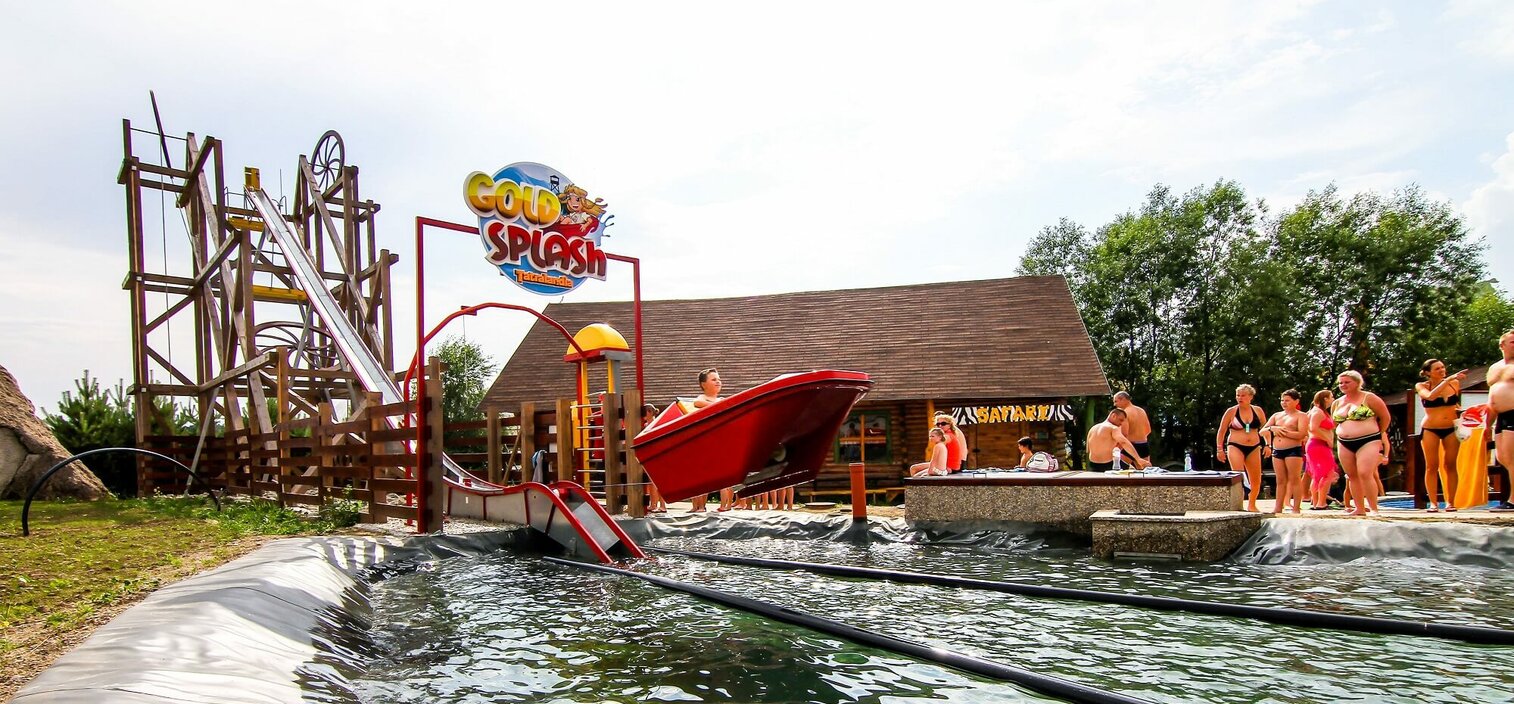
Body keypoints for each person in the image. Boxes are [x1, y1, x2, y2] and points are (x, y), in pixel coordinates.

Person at [1332, 370, 1391, 517]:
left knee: (1365, 473)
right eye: (1340, 383)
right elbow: (1334, 422)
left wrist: (1379, 433)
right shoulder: (1337, 402)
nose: (1343, 385)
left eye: (1347, 382)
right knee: (1352, 475)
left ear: (1357, 382)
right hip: (1344, 442)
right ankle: (1359, 508)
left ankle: (1374, 508)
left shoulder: (1369, 398)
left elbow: (1385, 417)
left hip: (1368, 439)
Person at [1416, 359, 1467, 512]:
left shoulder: (1454, 384)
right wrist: (1448, 380)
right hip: (1430, 428)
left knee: (1450, 464)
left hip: (1450, 427)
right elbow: (1431, 397)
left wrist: (1465, 412)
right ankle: (1433, 503)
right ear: (1427, 372)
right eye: (1437, 368)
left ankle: (1450, 502)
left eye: (1443, 367)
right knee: (1432, 466)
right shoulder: (1422, 386)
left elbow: (1455, 404)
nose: (1442, 370)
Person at [1216, 384, 1268, 512]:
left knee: (1256, 478)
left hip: (1254, 446)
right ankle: (1239, 504)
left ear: (1251, 397)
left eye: (1243, 395)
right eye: (1238, 395)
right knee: (1239, 476)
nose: (1240, 398)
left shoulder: (1258, 411)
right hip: (1235, 445)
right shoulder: (1231, 411)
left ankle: (1252, 503)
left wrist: (1268, 445)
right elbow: (1221, 431)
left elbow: (1265, 429)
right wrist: (1219, 449)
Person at [1262, 389, 1309, 514]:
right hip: (1277, 450)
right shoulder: (1277, 415)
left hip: (1293, 450)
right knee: (1280, 480)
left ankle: (1296, 508)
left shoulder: (1301, 416)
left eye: (1287, 400)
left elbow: (1302, 434)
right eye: (1282, 400)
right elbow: (1262, 431)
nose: (1284, 403)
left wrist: (1283, 432)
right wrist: (1272, 428)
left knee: (1294, 479)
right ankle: (1278, 507)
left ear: (1296, 401)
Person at [1489, 330, 1514, 509]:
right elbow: (1492, 398)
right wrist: (1487, 424)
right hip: (1500, 416)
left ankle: (1513, 500)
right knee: (1503, 458)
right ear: (1502, 345)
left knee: (1512, 459)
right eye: (1513, 342)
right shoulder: (1494, 368)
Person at [1304, 389, 1338, 510]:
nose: (1333, 399)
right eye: (1331, 397)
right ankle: (1321, 502)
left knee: (1317, 475)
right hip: (1318, 444)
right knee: (1327, 473)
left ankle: (1316, 502)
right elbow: (1313, 428)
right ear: (1325, 399)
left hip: (1317, 445)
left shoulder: (1318, 411)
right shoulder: (1317, 412)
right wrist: (1327, 439)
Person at [1113, 391, 1152, 464]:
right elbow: (1148, 430)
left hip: (1130, 446)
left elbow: (1124, 434)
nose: (1115, 404)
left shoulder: (1124, 413)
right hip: (1143, 445)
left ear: (1123, 399)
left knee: (1120, 469)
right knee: (1145, 470)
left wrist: (1117, 447)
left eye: (1116, 401)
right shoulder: (1141, 411)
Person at [642, 403, 667, 514]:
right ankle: (653, 504)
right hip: (648, 455)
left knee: (657, 482)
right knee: (650, 482)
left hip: (656, 455)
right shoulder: (646, 425)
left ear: (649, 412)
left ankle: (662, 505)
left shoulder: (656, 423)